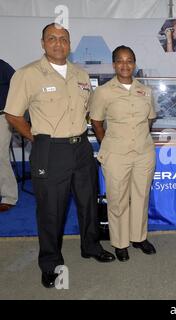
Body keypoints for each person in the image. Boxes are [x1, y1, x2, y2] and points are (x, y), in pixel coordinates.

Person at [4, 23, 115, 289]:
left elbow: (88, 110)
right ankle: (50, 262)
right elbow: (13, 115)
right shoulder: (27, 74)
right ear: (42, 43)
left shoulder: (81, 74)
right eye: (52, 38)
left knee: (88, 201)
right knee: (51, 210)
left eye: (63, 39)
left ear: (69, 43)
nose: (58, 43)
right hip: (50, 149)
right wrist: (36, 138)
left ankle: (90, 246)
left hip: (81, 148)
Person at [89, 46, 157, 262]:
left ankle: (139, 238)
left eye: (129, 61)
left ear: (135, 64)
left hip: (143, 152)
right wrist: (107, 143)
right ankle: (120, 243)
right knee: (117, 199)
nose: (125, 65)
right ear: (113, 64)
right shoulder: (103, 91)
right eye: (120, 61)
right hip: (116, 154)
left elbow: (149, 120)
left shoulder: (145, 91)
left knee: (141, 196)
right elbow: (96, 122)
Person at [0, 59, 17, 212]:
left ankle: (9, 196)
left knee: (0, 155)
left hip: (2, 117)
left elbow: (18, 88)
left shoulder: (3, 66)